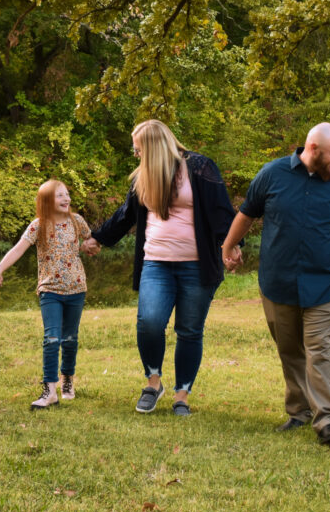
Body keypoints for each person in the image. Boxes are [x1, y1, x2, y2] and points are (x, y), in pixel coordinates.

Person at [221, 123, 330, 446]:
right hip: (278, 281)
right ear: (313, 149)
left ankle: (328, 421)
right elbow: (247, 214)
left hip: (326, 282)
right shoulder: (272, 175)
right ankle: (298, 411)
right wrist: (229, 246)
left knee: (320, 347)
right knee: (289, 349)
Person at [82, 120, 236, 416]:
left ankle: (182, 396)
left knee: (189, 330)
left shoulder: (200, 167)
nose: (136, 154)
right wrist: (98, 238)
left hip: (196, 265)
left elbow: (220, 211)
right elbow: (126, 214)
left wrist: (231, 246)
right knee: (150, 322)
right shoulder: (145, 175)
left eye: (138, 148)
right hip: (156, 263)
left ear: (153, 146)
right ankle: (153, 382)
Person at [0, 180, 93, 410]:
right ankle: (50, 390)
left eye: (67, 195)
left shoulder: (78, 222)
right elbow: (17, 249)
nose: (67, 199)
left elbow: (91, 243)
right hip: (50, 291)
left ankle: (67, 379)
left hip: (76, 290)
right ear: (46, 201)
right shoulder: (38, 226)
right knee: (52, 338)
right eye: (60, 196)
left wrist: (91, 247)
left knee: (70, 339)